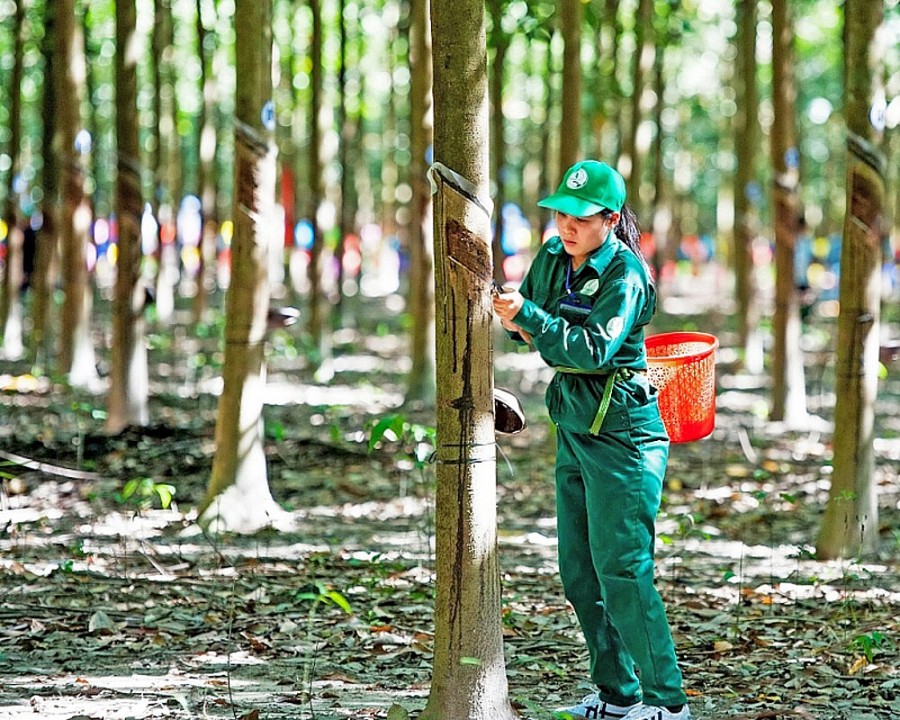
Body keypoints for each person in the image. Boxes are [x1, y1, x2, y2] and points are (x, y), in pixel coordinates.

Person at [492, 160, 690, 720]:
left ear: (609, 218)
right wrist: (516, 316)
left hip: (624, 433)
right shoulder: (554, 257)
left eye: (581, 216)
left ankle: (666, 703)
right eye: (561, 213)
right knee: (580, 571)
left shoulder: (627, 275)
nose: (567, 225)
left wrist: (529, 316)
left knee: (624, 567)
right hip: (575, 424)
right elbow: (527, 324)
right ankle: (617, 693)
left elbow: (589, 350)